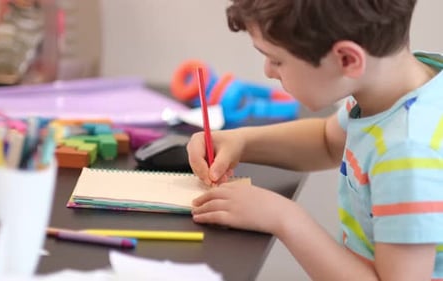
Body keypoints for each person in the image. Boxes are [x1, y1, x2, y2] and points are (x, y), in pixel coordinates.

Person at [186, 0, 443, 280]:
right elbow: (326, 141)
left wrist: (284, 218)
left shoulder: (406, 154)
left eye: (277, 60)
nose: (268, 71)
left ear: (347, 59)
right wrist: (242, 142)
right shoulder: (397, 92)